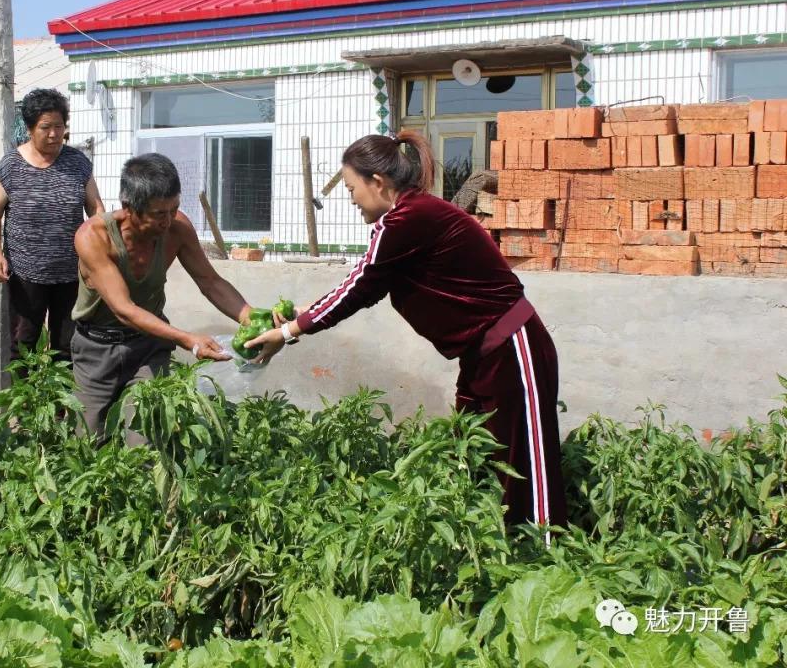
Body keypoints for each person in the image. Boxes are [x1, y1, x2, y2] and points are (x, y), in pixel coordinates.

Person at [246, 130, 568, 537]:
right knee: (477, 453)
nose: (351, 199)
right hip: (484, 355)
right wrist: (302, 317)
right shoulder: (412, 216)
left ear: (377, 183)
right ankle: (493, 547)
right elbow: (364, 285)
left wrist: (290, 332)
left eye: (351, 188)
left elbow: (361, 285)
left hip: (513, 348)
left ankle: (548, 557)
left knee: (528, 467)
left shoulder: (405, 219)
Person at [71, 152, 256, 441]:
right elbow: (123, 309)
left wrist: (251, 318)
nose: (169, 221)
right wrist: (187, 339)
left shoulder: (177, 228)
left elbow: (210, 281)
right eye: (159, 213)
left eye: (175, 209)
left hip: (148, 347)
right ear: (128, 208)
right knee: (87, 441)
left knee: (145, 438)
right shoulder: (94, 237)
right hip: (97, 348)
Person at [0, 88, 104, 368]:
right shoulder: (11, 166)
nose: (53, 134)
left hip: (71, 273)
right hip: (26, 273)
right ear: (29, 128)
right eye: (45, 127)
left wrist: (99, 254)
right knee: (22, 344)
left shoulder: (77, 163)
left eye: (59, 127)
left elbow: (96, 209)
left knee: (67, 346)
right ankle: (25, 409)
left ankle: (62, 410)